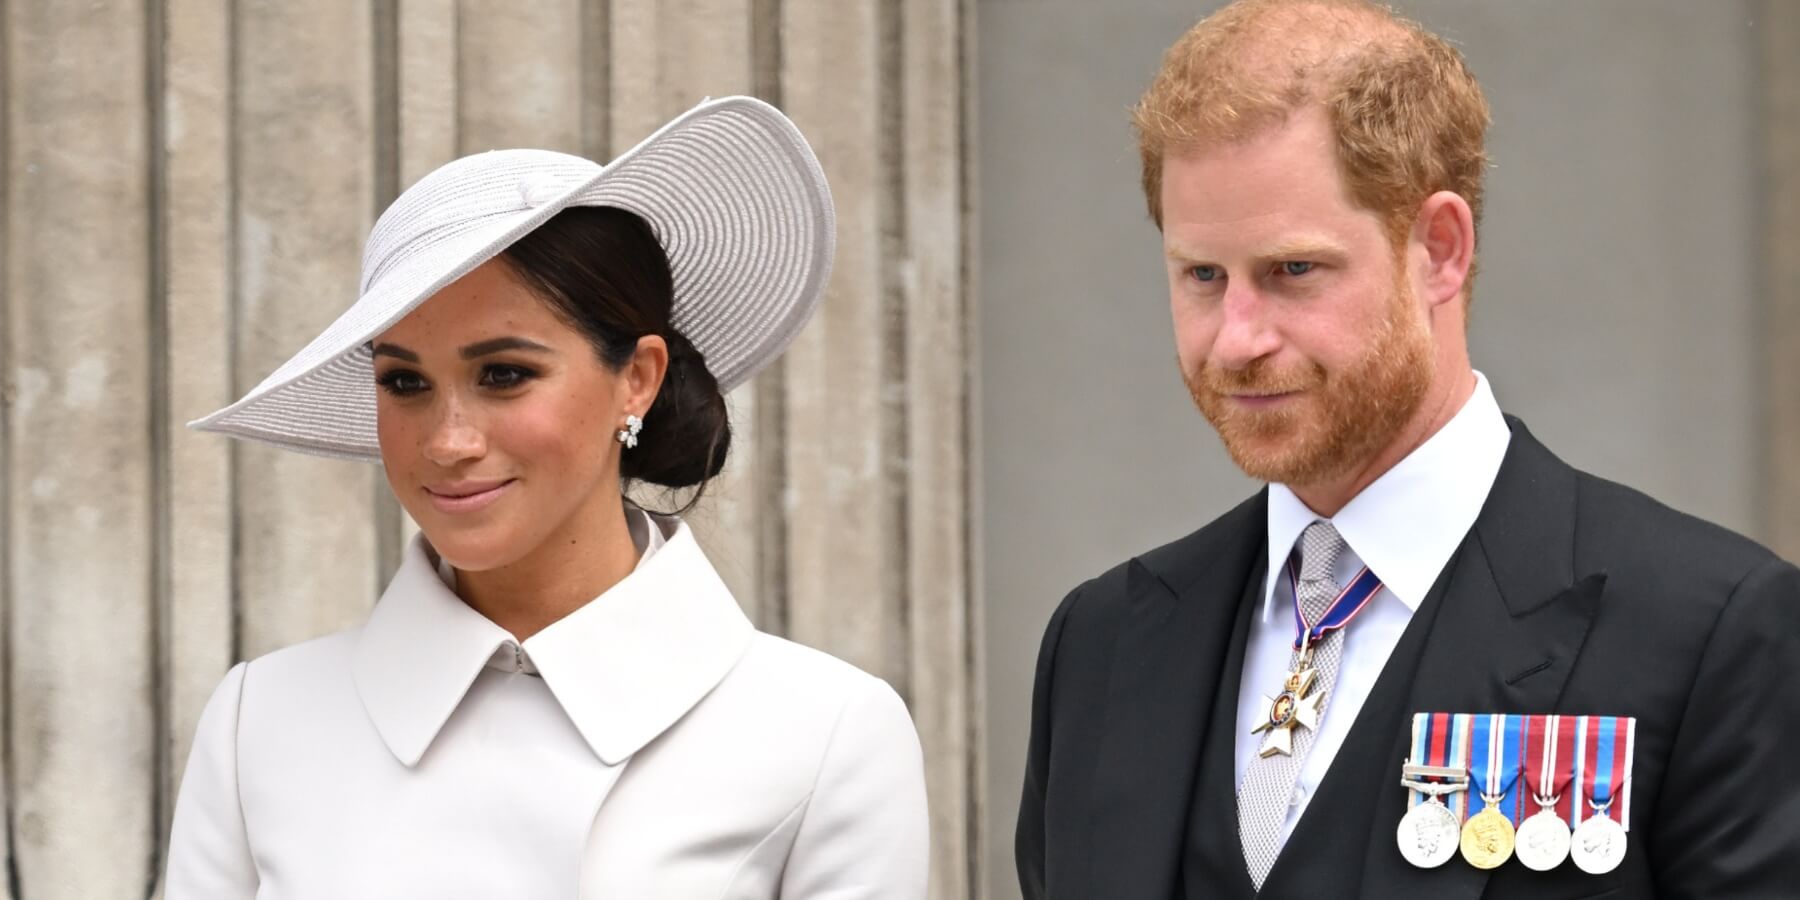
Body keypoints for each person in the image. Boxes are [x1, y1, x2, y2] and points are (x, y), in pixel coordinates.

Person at [1015, 2, 1800, 898]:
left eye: (1292, 271)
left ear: (1439, 250)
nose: (1235, 339)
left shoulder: (1710, 631)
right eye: (1203, 275)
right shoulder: (1102, 643)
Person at [165, 96, 929, 898]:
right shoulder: (263, 720)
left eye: (504, 374)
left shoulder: (823, 732)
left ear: (637, 378)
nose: (448, 441)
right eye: (405, 382)